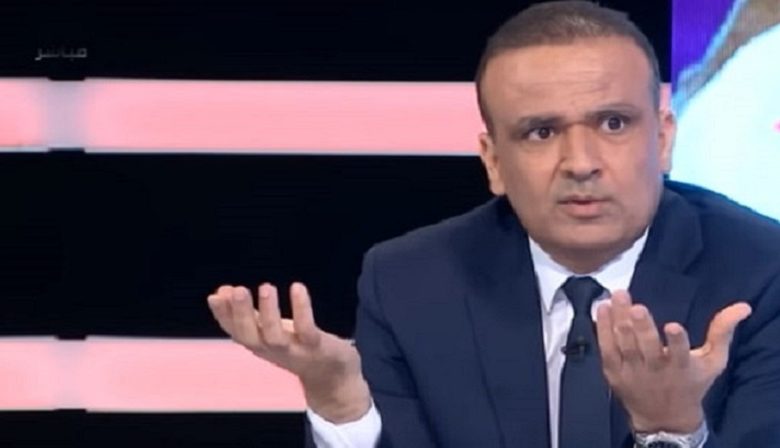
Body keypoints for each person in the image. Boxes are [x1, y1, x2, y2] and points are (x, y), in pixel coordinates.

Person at [207, 2, 780, 447]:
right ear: (494, 162)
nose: (581, 163)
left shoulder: (762, 275)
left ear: (665, 138)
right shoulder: (410, 282)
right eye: (541, 132)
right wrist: (341, 404)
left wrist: (670, 430)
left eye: (612, 123)